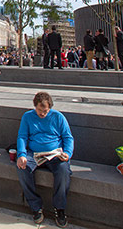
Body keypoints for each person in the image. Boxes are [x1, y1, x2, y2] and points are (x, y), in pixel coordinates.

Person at [16, 92, 74, 228]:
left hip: (54, 153)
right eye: (39, 110)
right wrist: (22, 154)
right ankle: (36, 207)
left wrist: (67, 153)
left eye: (45, 111)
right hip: (34, 153)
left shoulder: (58, 117)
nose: (42, 114)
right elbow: (22, 137)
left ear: (50, 108)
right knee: (23, 168)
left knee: (63, 171)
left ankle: (59, 208)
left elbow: (68, 137)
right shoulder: (27, 117)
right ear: (34, 107)